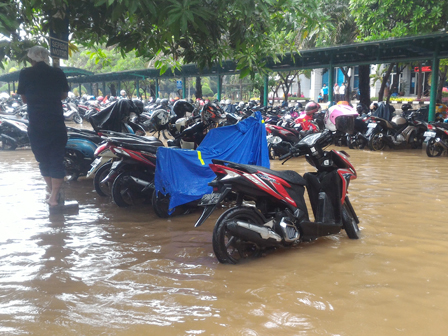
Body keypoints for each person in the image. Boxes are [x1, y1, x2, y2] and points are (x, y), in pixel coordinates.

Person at [17, 46, 69, 208]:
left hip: (37, 124)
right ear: (46, 57)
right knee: (57, 159)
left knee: (43, 160)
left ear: (31, 59)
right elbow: (64, 96)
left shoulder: (25, 73)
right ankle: (54, 195)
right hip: (56, 124)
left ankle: (52, 192)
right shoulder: (58, 72)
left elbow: (24, 99)